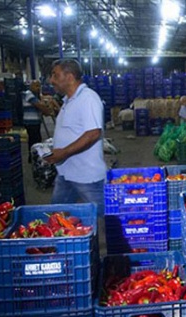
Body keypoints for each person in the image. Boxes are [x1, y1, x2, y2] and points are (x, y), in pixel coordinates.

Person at [43, 59, 107, 216]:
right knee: (56, 217)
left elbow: (93, 133)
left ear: (70, 77)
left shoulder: (88, 98)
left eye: (55, 76)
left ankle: (123, 238)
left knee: (107, 217)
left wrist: (63, 152)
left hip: (86, 176)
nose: (51, 81)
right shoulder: (68, 101)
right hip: (66, 173)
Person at [23, 80, 55, 161]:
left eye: (39, 86)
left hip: (36, 121)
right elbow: (39, 105)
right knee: (34, 140)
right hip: (30, 121)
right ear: (31, 86)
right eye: (36, 86)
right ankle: (32, 157)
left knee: (36, 138)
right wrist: (48, 110)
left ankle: (35, 156)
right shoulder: (28, 94)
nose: (38, 88)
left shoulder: (36, 95)